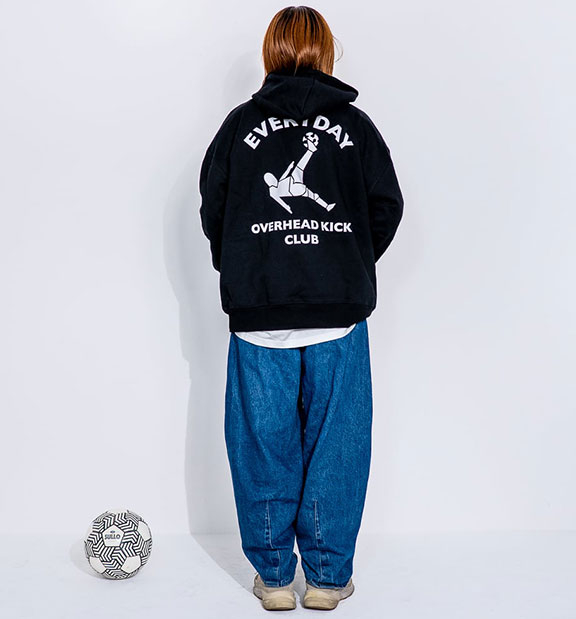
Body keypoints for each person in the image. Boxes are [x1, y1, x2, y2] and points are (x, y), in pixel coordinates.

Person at [198, 5, 404, 611]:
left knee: (263, 446)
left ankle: (273, 580)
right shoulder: (355, 128)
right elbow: (386, 206)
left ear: (271, 52)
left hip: (260, 315)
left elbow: (213, 208)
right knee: (338, 447)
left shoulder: (240, 126)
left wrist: (246, 267)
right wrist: (344, 261)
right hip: (338, 315)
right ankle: (327, 579)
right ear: (326, 52)